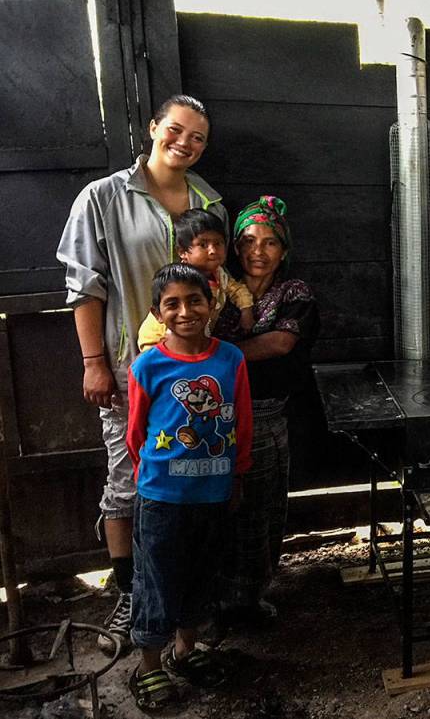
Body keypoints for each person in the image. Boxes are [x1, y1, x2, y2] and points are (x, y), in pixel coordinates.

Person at [56, 95, 227, 653]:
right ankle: (130, 593)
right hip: (131, 370)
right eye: (176, 130)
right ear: (154, 128)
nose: (186, 142)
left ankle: (182, 607)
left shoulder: (209, 200)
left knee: (185, 482)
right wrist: (94, 363)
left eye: (198, 137)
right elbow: (85, 286)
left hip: (195, 373)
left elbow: (216, 281)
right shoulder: (103, 198)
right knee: (128, 482)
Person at [125, 264, 252, 709]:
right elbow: (136, 434)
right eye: (172, 304)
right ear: (157, 314)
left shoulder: (230, 359)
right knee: (156, 580)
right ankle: (149, 666)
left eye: (194, 300)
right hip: (161, 499)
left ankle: (185, 651)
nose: (185, 311)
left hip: (214, 495)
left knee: (202, 575)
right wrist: (156, 480)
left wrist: (235, 476)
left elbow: (243, 423)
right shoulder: (148, 364)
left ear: (212, 303)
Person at [213, 195, 319, 622]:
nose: (258, 251)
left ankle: (248, 598)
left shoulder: (296, 294)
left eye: (270, 242)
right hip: (211, 419)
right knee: (216, 509)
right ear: (235, 247)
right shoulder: (215, 287)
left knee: (260, 509)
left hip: (265, 418)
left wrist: (212, 354)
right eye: (249, 241)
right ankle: (213, 598)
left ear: (285, 249)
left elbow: (281, 343)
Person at [137, 210, 254, 351]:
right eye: (203, 245)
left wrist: (246, 310)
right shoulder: (180, 280)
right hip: (159, 342)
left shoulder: (219, 274)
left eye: (218, 243)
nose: (212, 250)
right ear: (182, 252)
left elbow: (237, 290)